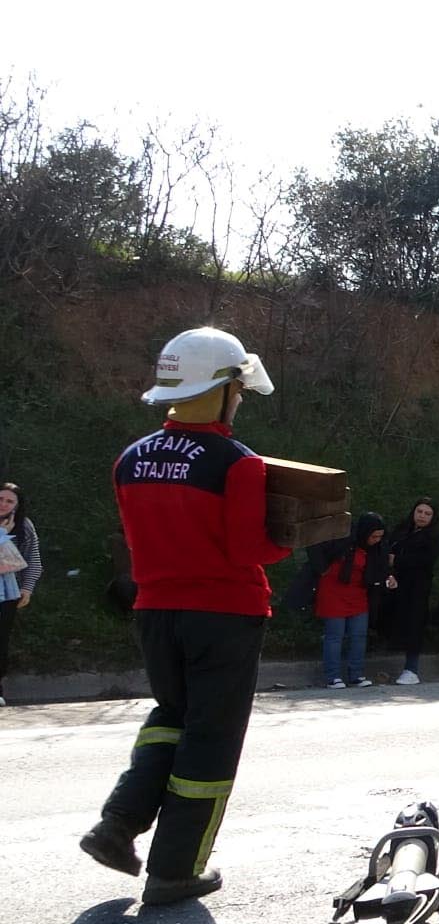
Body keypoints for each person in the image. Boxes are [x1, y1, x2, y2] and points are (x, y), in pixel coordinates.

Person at [80, 326, 286, 905]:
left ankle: (118, 824)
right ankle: (176, 869)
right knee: (211, 741)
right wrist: (292, 539)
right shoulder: (239, 463)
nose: (242, 398)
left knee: (172, 716)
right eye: (238, 389)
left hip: (155, 612)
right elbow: (251, 550)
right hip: (225, 614)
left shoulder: (131, 459)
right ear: (219, 389)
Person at [315, 513, 388, 689]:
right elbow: (318, 551)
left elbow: (379, 569)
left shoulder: (375, 549)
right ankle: (332, 676)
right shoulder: (343, 541)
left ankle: (356, 674)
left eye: (380, 536)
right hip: (334, 591)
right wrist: (322, 569)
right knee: (335, 636)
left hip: (358, 593)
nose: (377, 540)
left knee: (359, 635)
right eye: (374, 536)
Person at [382, 498, 439, 685]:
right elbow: (388, 551)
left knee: (415, 626)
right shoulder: (402, 529)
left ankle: (411, 669)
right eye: (420, 512)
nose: (422, 516)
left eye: (427, 513)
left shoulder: (434, 536)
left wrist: (396, 561)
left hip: (417, 588)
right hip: (395, 584)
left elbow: (423, 560)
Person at [0, 482, 44, 707]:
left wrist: (27, 588)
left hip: (7, 593)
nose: (3, 505)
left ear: (17, 505)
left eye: (9, 501)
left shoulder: (24, 526)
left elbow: (33, 560)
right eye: (1, 499)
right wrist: (1, 535)